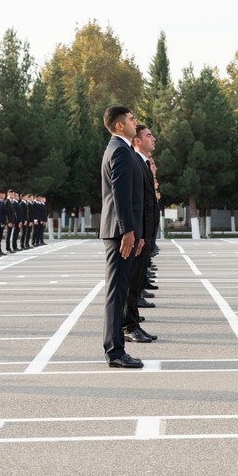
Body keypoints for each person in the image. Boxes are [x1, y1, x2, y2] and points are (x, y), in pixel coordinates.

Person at [100, 106, 145, 369]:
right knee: (116, 294)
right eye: (130, 119)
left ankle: (117, 348)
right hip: (119, 233)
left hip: (122, 231)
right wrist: (128, 231)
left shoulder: (121, 149)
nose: (134, 121)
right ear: (119, 126)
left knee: (118, 291)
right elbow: (120, 195)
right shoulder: (119, 150)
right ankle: (115, 352)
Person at [123, 123, 159, 343]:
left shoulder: (144, 163)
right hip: (139, 233)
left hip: (145, 232)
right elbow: (136, 202)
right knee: (131, 282)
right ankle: (129, 326)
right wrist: (138, 234)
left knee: (136, 282)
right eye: (148, 135)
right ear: (137, 140)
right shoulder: (135, 161)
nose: (153, 138)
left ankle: (132, 322)